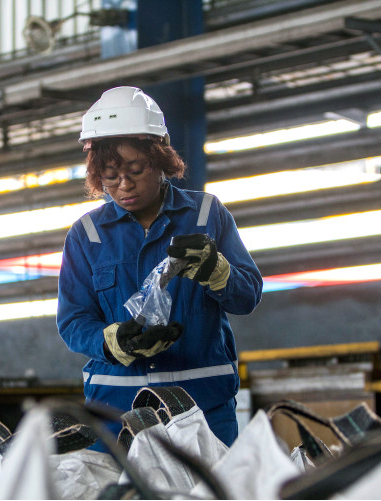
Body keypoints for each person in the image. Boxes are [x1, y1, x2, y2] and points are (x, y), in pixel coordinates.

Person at [56, 86, 262, 448]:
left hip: (203, 414)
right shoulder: (85, 235)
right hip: (115, 419)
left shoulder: (206, 215)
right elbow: (73, 322)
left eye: (136, 169)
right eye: (110, 175)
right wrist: (112, 342)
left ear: (160, 158)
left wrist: (220, 273)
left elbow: (247, 297)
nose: (124, 185)